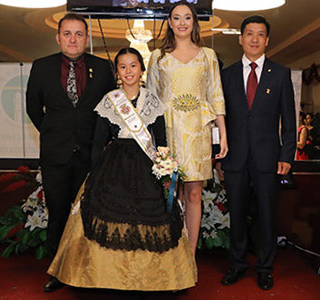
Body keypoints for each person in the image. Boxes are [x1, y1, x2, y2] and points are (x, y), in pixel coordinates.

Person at [47, 48, 197, 291]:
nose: (128, 71)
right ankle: (101, 277)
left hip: (146, 165)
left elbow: (161, 139)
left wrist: (165, 168)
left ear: (141, 69)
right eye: (123, 66)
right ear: (117, 71)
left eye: (133, 65)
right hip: (113, 164)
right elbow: (98, 141)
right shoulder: (110, 100)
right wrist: (94, 172)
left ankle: (159, 279)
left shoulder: (153, 101)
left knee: (151, 219)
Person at [26, 13, 115, 292]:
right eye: (67, 34)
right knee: (59, 214)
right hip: (56, 155)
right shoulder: (41, 67)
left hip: (92, 155)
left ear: (86, 39)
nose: (73, 39)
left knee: (89, 214)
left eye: (78, 34)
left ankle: (89, 270)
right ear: (58, 37)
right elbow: (33, 108)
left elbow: (111, 108)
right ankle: (58, 270)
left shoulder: (102, 68)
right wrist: (55, 134)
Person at [219, 15, 296, 290]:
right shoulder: (225, 75)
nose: (254, 39)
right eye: (249, 34)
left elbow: (289, 120)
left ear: (267, 40)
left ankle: (264, 267)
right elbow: (220, 118)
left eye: (260, 34)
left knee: (266, 214)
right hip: (235, 158)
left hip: (268, 159)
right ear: (240, 38)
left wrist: (287, 157)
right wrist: (219, 154)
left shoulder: (281, 74)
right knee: (236, 213)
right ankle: (237, 264)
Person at [146, 2, 228, 255]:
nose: (182, 22)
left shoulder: (208, 56)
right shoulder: (157, 57)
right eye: (176, 18)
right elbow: (151, 100)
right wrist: (150, 140)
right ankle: (171, 248)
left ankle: (189, 254)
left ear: (194, 22)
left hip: (198, 132)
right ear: (169, 22)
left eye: (187, 18)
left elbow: (216, 96)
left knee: (193, 194)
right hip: (168, 133)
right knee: (171, 193)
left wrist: (223, 134)